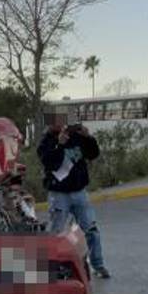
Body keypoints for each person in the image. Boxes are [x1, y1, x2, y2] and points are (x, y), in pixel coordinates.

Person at [37, 115, 110, 278]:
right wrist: (59, 145)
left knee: (91, 230)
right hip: (59, 194)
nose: (61, 124)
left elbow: (93, 154)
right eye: (57, 122)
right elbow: (49, 162)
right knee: (55, 232)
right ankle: (50, 269)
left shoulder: (76, 136)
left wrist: (88, 137)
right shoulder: (46, 142)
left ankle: (98, 265)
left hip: (79, 192)